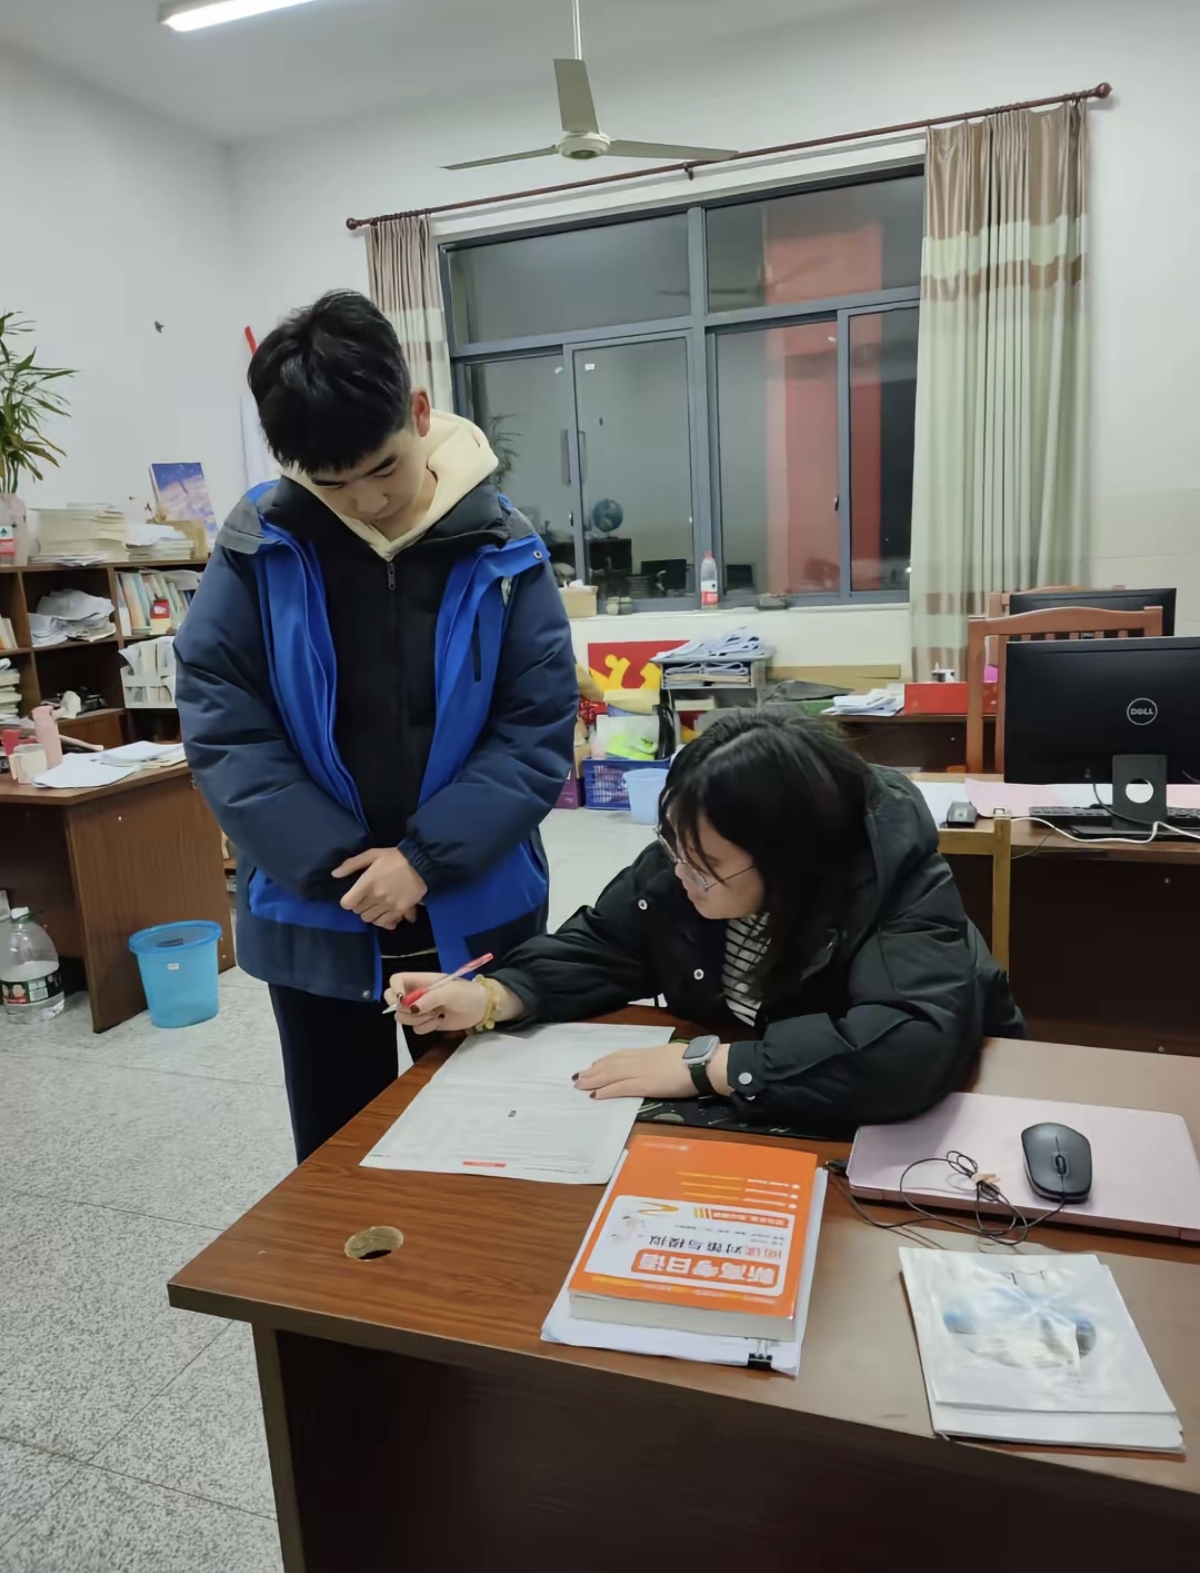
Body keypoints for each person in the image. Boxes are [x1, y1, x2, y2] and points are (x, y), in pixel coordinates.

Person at [175, 290, 577, 1161]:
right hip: (321, 907)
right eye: (332, 483)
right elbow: (223, 722)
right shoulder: (257, 549)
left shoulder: (506, 548)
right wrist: (344, 867)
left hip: (477, 897)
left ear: (420, 413)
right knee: (336, 1154)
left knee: (484, 1146)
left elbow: (536, 728)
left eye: (384, 467)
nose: (366, 500)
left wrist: (422, 861)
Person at [388, 709, 1023, 1137]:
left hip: (921, 1131)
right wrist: (493, 996)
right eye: (674, 846)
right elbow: (605, 944)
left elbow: (910, 1047)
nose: (682, 875)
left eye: (710, 866)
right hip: (768, 1112)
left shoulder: (892, 877)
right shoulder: (687, 858)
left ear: (791, 858)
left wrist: (710, 1067)